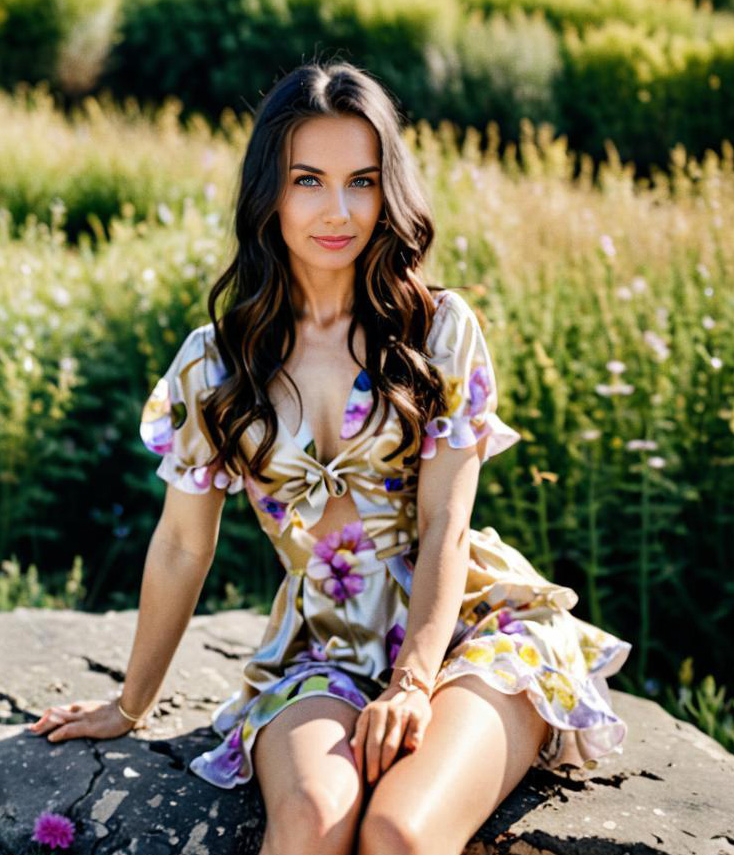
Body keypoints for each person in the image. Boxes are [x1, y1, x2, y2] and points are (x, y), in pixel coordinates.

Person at [28, 59, 631, 855]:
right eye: (308, 180)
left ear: (391, 192)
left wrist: (415, 683)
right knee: (313, 821)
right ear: (267, 191)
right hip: (322, 645)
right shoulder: (215, 363)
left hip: (468, 632)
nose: (338, 210)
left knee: (400, 834)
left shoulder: (438, 330)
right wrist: (129, 705)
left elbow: (449, 522)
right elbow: (181, 542)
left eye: (363, 181)